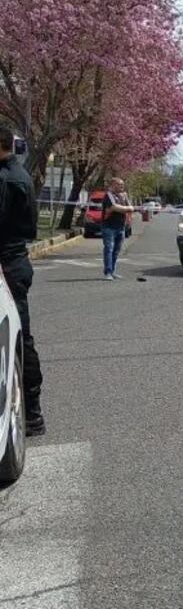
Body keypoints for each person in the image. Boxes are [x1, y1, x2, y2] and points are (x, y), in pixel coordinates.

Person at [0, 127, 45, 435]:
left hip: (6, 264)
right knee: (20, 336)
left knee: (16, 339)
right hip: (17, 260)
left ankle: (30, 413)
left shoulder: (5, 178)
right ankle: (33, 413)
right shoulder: (21, 174)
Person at [101, 177, 137, 280]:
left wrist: (127, 208)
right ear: (113, 185)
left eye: (122, 185)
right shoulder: (109, 195)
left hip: (121, 227)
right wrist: (127, 209)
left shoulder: (123, 195)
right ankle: (108, 272)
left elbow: (131, 207)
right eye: (120, 184)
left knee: (116, 250)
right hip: (109, 227)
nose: (122, 186)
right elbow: (114, 207)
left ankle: (113, 271)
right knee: (109, 249)